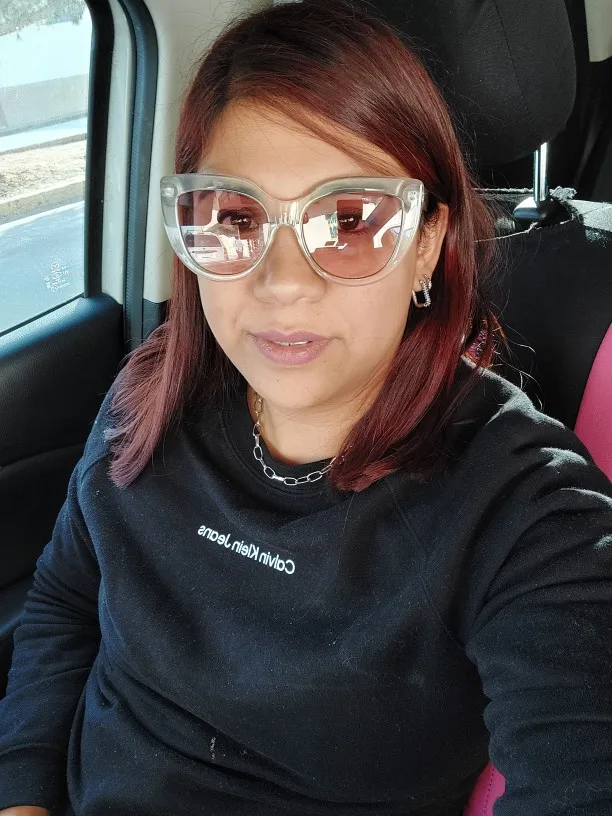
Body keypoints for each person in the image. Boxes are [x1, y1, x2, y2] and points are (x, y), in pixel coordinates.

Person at [1, 2, 611, 815]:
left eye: (349, 222)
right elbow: (65, 603)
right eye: (236, 217)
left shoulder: (526, 510)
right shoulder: (152, 388)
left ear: (426, 244)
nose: (283, 282)